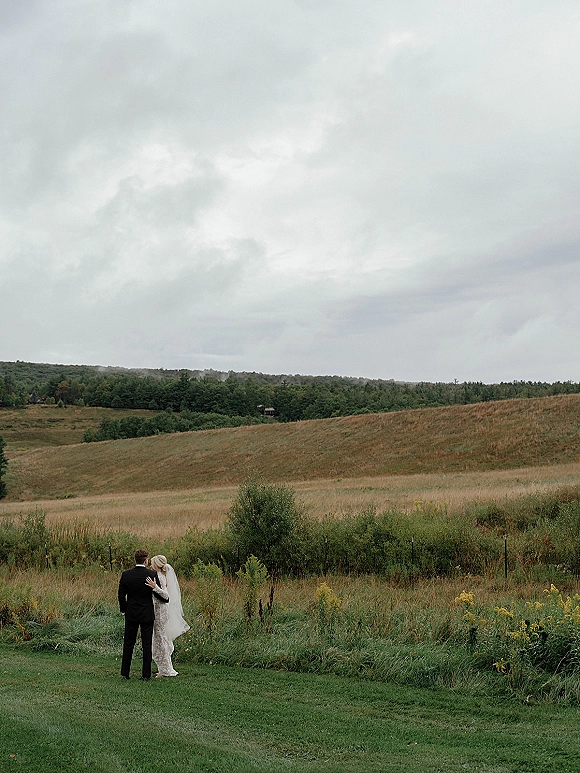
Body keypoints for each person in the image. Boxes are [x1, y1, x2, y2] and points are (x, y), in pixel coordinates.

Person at [118, 548, 169, 680]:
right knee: (147, 644)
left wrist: (124, 609)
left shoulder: (126, 575)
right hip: (147, 613)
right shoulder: (152, 575)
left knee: (128, 643)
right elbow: (163, 598)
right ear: (146, 561)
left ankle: (125, 672)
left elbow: (121, 595)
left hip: (131, 613)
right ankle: (146, 675)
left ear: (135, 560)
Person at [146, 554, 190, 677]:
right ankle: (163, 667)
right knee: (161, 638)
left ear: (156, 565)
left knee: (160, 639)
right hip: (160, 610)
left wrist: (155, 588)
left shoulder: (159, 577)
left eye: (152, 563)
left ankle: (165, 669)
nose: (150, 565)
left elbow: (165, 596)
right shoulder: (161, 576)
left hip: (160, 611)